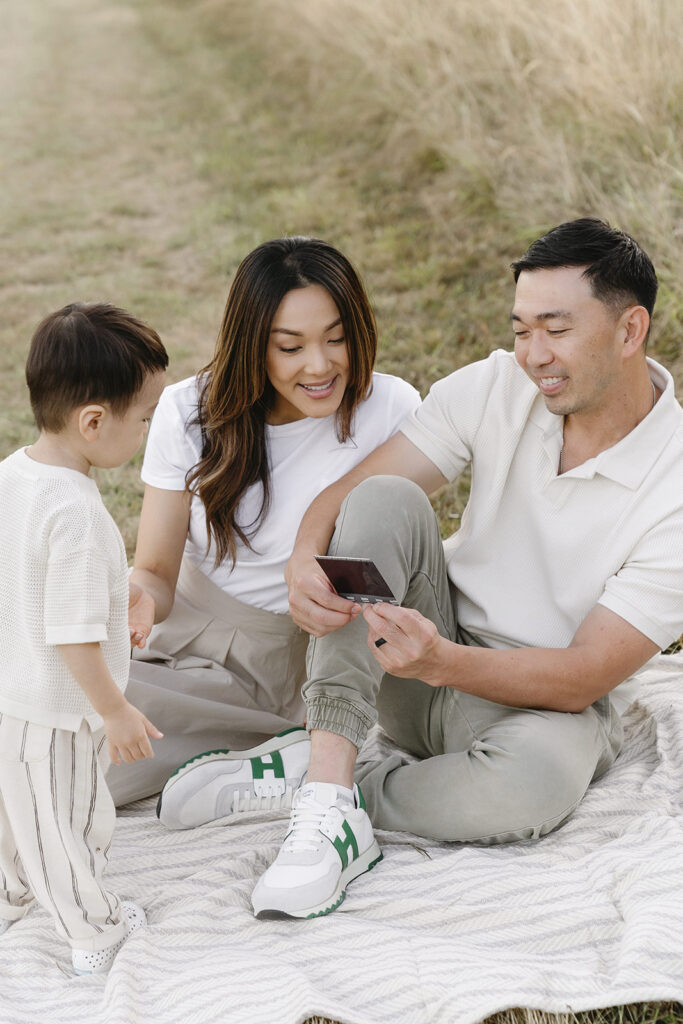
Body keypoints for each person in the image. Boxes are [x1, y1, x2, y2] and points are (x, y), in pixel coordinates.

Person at [159, 218, 683, 920]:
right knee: (386, 497)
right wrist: (301, 562)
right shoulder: (495, 386)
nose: (532, 355)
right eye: (521, 329)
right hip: (412, 661)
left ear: (628, 331)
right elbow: (352, 495)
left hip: (540, 705)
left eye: (554, 330)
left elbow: (584, 675)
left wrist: (442, 664)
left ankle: (331, 780)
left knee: (529, 793)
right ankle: (328, 791)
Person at [107, 236, 420, 809]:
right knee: (42, 691)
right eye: (290, 347)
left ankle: (289, 751)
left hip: (275, 668)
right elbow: (155, 571)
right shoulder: (190, 410)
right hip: (174, 638)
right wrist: (139, 596)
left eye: (337, 338)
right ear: (254, 345)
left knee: (76, 751)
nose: (320, 365)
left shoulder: (391, 411)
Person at [0, 303, 168, 972]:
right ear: (93, 421)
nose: (149, 432)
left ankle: (12, 895)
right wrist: (113, 710)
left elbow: (27, 578)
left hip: (11, 693)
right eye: (145, 418)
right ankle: (93, 934)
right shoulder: (75, 512)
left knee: (17, 818)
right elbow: (72, 641)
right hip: (58, 713)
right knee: (65, 825)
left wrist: (112, 595)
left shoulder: (15, 476)